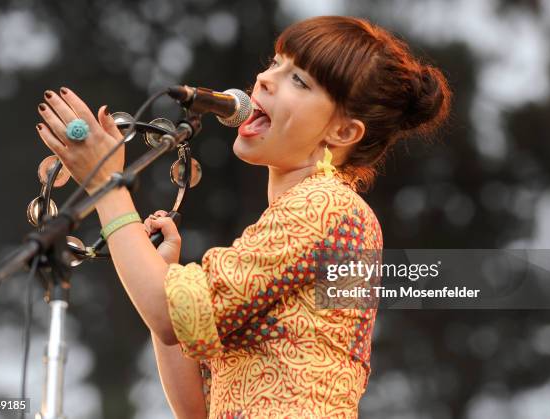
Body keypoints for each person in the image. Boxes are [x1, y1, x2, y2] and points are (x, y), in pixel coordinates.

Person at [35, 15, 451, 419]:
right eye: (275, 63)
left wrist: (108, 184)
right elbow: (198, 408)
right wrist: (164, 278)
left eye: (299, 80)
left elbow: (167, 311)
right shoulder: (307, 218)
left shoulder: (328, 208)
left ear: (342, 133)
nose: (265, 80)